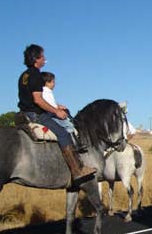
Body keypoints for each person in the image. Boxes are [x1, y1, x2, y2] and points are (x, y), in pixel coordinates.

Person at [17, 44, 96, 181]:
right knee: (63, 133)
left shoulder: (24, 75)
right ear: (36, 58)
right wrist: (56, 111)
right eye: (43, 56)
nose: (45, 59)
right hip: (36, 114)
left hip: (23, 112)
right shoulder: (35, 75)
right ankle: (76, 170)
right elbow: (38, 100)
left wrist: (56, 106)